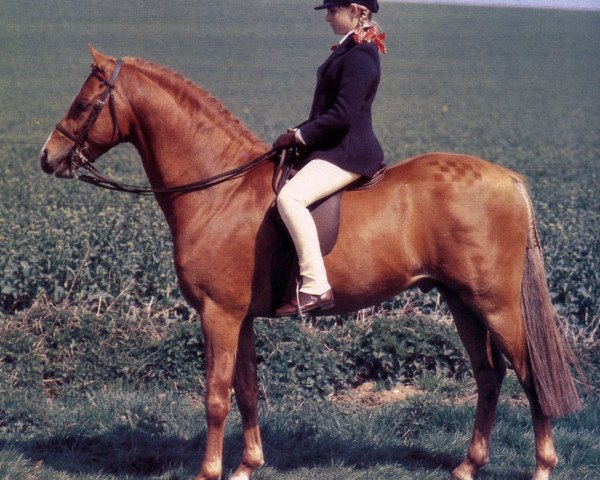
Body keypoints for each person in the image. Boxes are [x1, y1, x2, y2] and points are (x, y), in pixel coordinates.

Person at [273, 0, 386, 317]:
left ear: (355, 11)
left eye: (332, 11)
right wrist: (298, 130)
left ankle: (315, 285)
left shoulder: (361, 53)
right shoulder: (349, 48)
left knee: (291, 198)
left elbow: (342, 115)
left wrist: (301, 137)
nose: (327, 18)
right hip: (332, 147)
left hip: (347, 153)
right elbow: (326, 112)